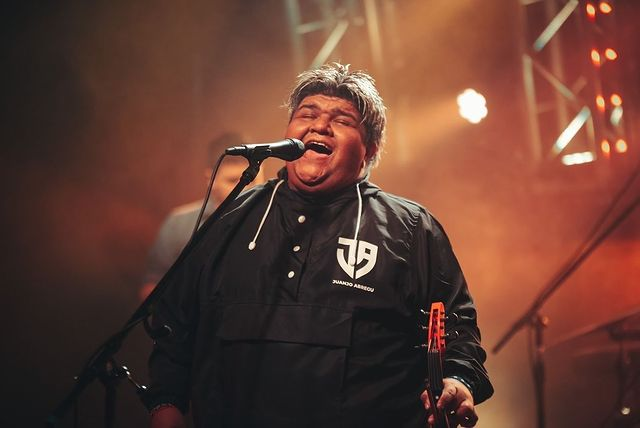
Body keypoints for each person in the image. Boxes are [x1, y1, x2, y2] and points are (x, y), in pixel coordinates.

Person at [142, 63, 493, 428]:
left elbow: (458, 328)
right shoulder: (227, 222)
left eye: (342, 119)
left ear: (369, 149)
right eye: (307, 113)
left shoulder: (411, 228)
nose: (319, 125)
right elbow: (174, 330)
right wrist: (165, 406)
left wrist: (459, 380)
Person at [139, 132, 263, 301]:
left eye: (253, 180)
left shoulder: (275, 219)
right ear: (210, 180)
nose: (246, 188)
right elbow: (151, 288)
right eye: (234, 180)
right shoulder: (179, 223)